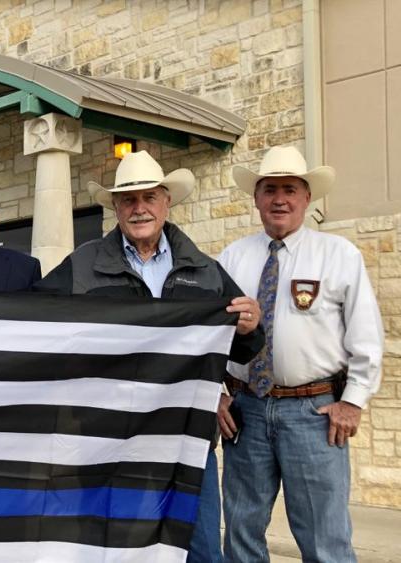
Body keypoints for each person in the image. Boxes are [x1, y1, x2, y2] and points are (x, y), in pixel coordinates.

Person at [35, 150, 263, 563]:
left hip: (185, 440)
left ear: (166, 202)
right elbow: (31, 322)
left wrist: (249, 328)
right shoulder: (82, 265)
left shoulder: (205, 270)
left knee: (200, 549)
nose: (139, 208)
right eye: (128, 200)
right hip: (106, 441)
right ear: (116, 208)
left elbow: (245, 345)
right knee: (110, 546)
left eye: (149, 198)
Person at [217, 145, 383, 563]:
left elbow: (366, 335)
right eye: (269, 189)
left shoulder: (338, 255)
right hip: (246, 413)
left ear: (307, 197)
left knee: (324, 538)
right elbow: (209, 337)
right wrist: (214, 393)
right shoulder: (232, 258)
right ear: (256, 198)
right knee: (241, 531)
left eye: (290, 189)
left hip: (313, 414)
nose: (280, 199)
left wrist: (353, 400)